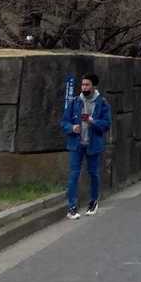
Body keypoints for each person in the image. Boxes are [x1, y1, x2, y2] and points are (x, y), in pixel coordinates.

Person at [61, 72, 112, 219]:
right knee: (73, 174)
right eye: (82, 84)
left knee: (93, 173)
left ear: (93, 86)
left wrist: (92, 121)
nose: (84, 87)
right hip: (76, 144)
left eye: (87, 84)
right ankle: (72, 207)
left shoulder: (102, 103)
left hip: (93, 144)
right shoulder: (75, 101)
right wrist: (72, 128)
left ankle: (93, 201)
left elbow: (107, 124)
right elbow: (64, 122)